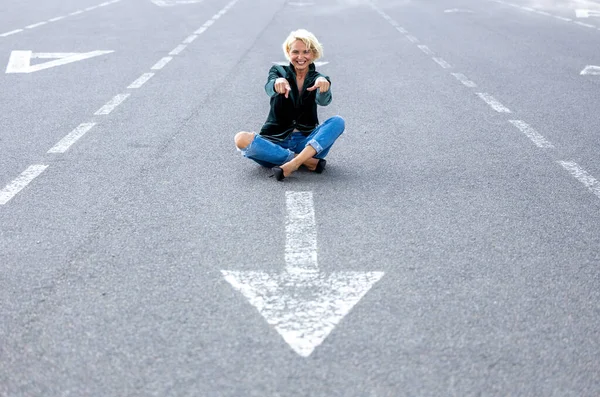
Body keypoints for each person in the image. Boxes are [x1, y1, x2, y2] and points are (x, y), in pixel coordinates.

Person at [234, 29, 345, 181]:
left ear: (313, 54)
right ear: (288, 52)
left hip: (308, 145)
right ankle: (306, 161)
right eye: (295, 52)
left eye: (306, 52)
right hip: (274, 144)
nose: (300, 57)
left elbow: (323, 101)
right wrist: (277, 82)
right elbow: (269, 87)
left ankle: (293, 163)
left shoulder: (319, 78)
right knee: (241, 139)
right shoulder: (278, 71)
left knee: (338, 121)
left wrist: (324, 87)